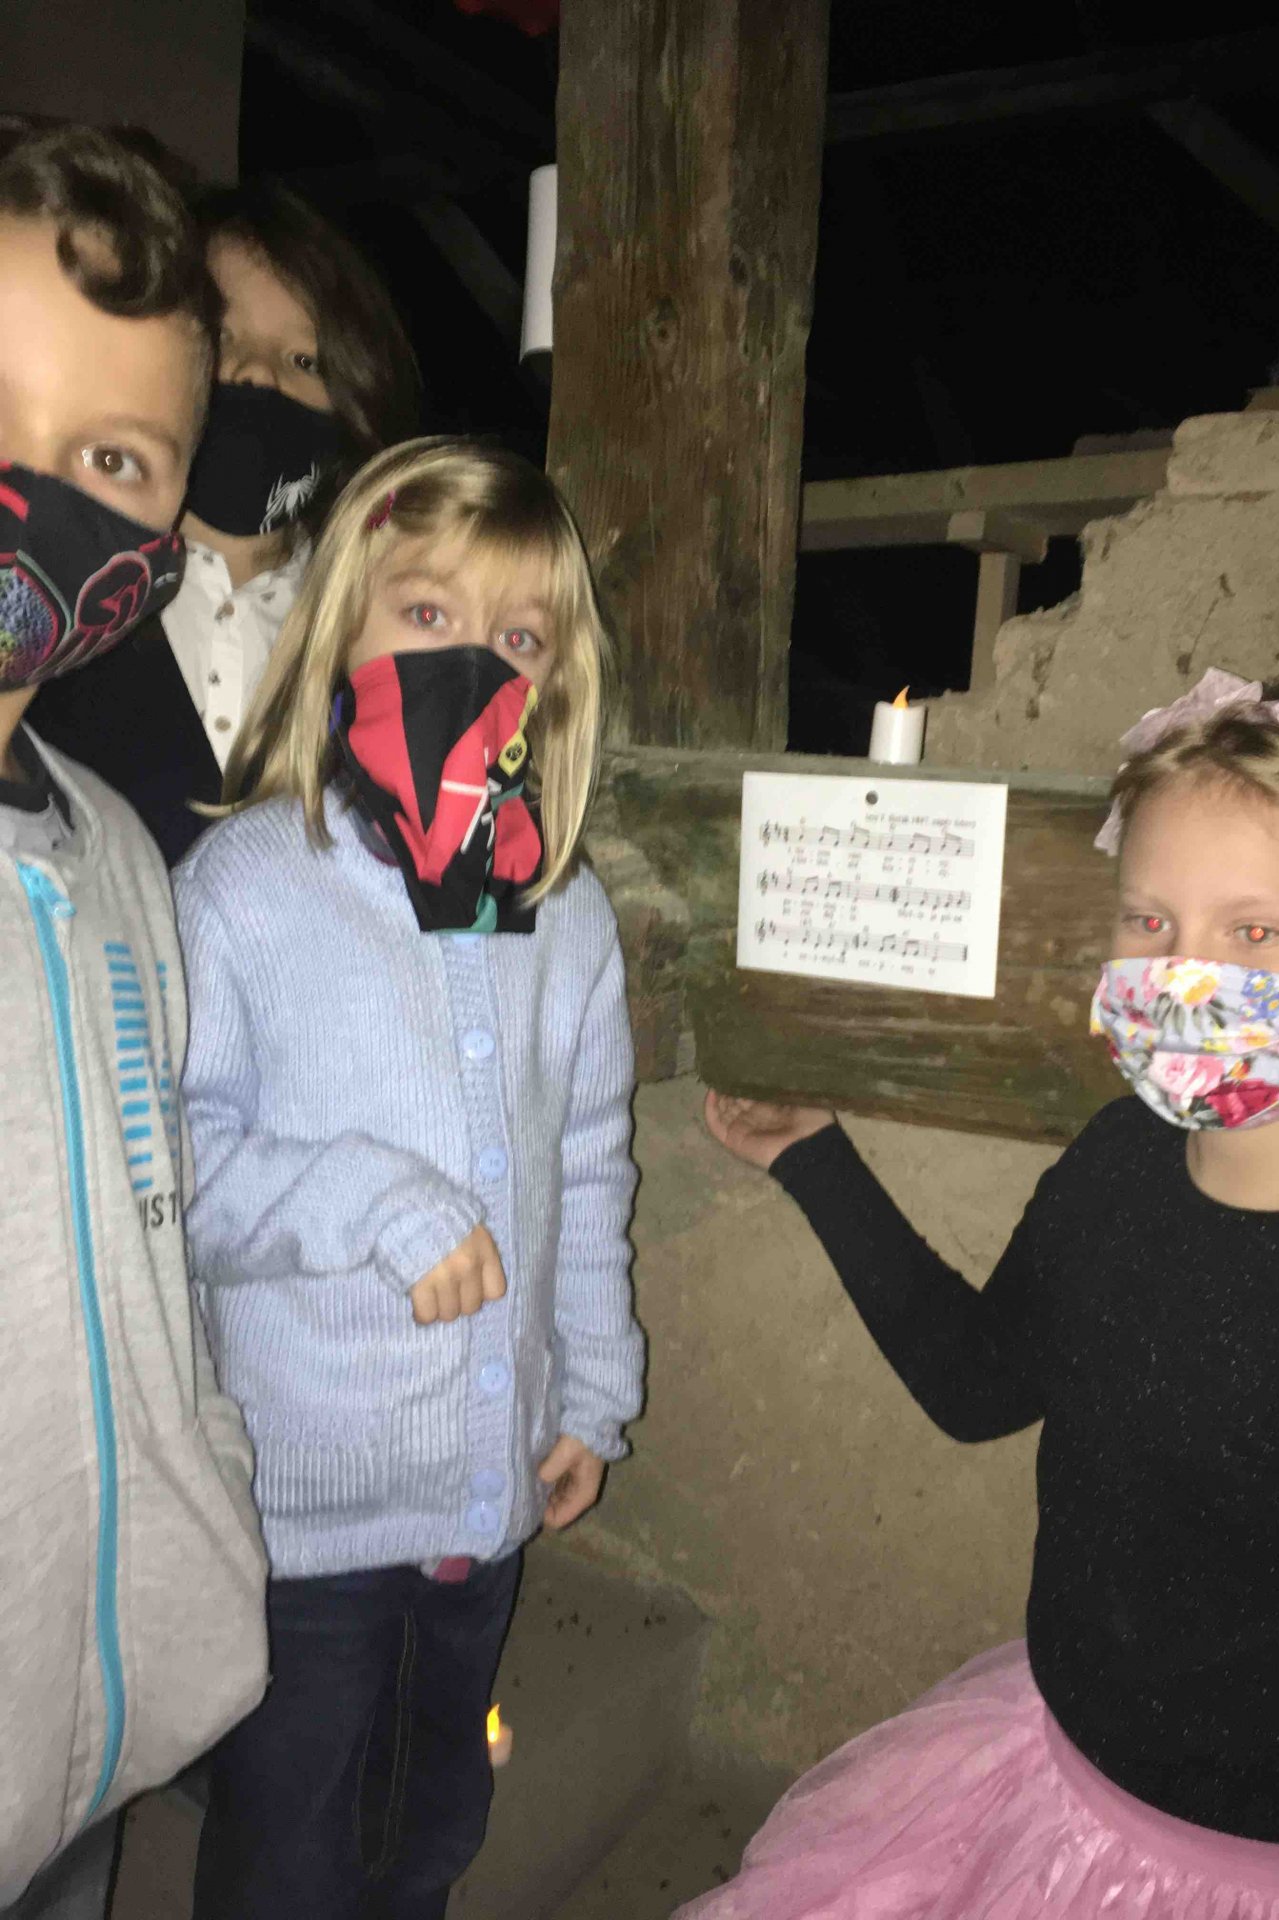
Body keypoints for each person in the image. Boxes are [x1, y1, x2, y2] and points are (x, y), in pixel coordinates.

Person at [692, 668, 1279, 1920]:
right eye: (1150, 920)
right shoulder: (1119, 1161)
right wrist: (812, 1159)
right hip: (1056, 1800)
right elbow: (980, 1384)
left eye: (1255, 933)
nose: (1182, 975)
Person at [174, 435, 645, 1919]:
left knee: (431, 1822)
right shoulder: (242, 887)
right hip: (300, 1527)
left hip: (481, 1502)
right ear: (340, 629)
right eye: (427, 614)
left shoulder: (567, 916)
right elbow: (174, 1169)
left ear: (554, 685)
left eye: (519, 638)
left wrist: (590, 1393)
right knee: (287, 1847)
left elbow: (590, 1161)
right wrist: (371, 1201)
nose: (474, 664)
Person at [0, 119, 267, 1917]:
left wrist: (205, 1490)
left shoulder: (118, 862)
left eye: (108, 458)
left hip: (93, 1746)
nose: (30, 490)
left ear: (157, 537)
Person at [31, 181, 420, 864]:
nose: (256, 376)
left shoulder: (385, 634)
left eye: (304, 360)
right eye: (221, 339)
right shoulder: (58, 592)